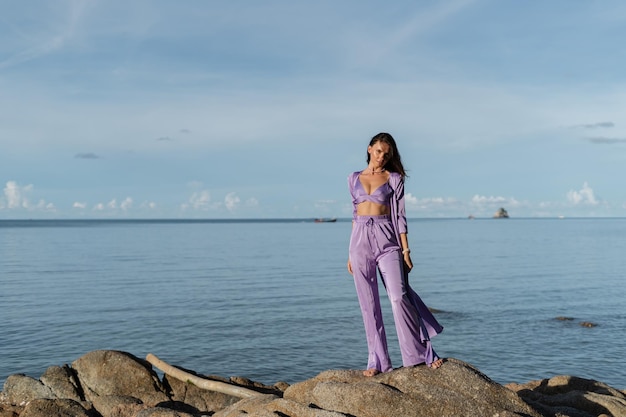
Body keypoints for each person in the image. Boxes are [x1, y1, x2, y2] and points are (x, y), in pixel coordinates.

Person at [347, 132, 443, 377]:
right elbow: (354, 215)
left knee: (399, 297)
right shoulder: (353, 178)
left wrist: (406, 250)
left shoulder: (394, 179)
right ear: (369, 149)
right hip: (359, 242)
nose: (382, 157)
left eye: (386, 154)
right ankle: (377, 362)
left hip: (387, 241)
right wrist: (350, 252)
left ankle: (418, 354)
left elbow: (400, 216)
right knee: (368, 305)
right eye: (378, 151)